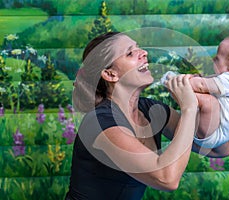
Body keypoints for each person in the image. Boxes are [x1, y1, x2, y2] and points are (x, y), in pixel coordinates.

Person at [65, 31, 199, 200]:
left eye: (138, 47)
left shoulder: (151, 110)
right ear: (110, 74)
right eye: (130, 53)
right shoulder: (100, 122)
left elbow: (218, 149)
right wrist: (188, 107)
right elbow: (167, 179)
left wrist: (206, 93)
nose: (144, 52)